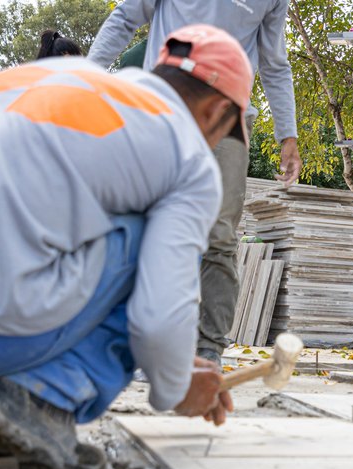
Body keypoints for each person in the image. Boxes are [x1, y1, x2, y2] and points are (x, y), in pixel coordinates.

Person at [0, 25, 252, 469]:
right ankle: (39, 399)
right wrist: (175, 384)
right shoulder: (186, 154)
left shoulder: (56, 79)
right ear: (219, 111)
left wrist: (175, 359)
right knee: (143, 237)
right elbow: (159, 317)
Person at [87, 0, 302, 366]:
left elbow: (275, 63)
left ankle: (208, 350)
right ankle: (138, 345)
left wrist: (289, 136)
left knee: (219, 235)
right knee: (144, 222)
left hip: (228, 117)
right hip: (164, 106)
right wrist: (85, 76)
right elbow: (125, 17)